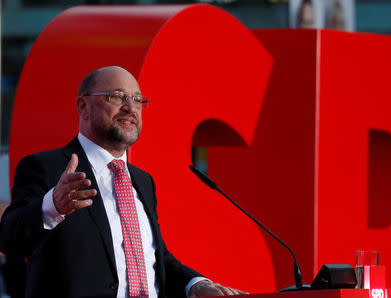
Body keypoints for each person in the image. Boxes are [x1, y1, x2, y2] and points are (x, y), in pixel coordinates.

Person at [0, 66, 246, 298]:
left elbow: (152, 257)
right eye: (117, 96)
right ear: (84, 106)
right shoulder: (47, 167)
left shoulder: (142, 180)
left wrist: (195, 284)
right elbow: (10, 241)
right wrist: (52, 206)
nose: (131, 107)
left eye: (138, 99)